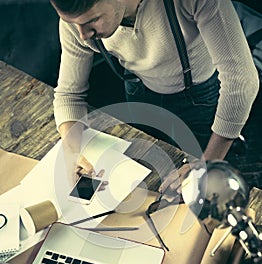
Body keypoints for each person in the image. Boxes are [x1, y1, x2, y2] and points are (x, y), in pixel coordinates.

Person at [50, 0, 259, 192]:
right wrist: (72, 152)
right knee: (147, 180)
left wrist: (206, 164)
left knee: (204, 190)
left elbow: (241, 82)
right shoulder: (78, 22)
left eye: (92, 20)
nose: (83, 34)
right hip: (139, 93)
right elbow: (69, 94)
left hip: (199, 99)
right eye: (72, 22)